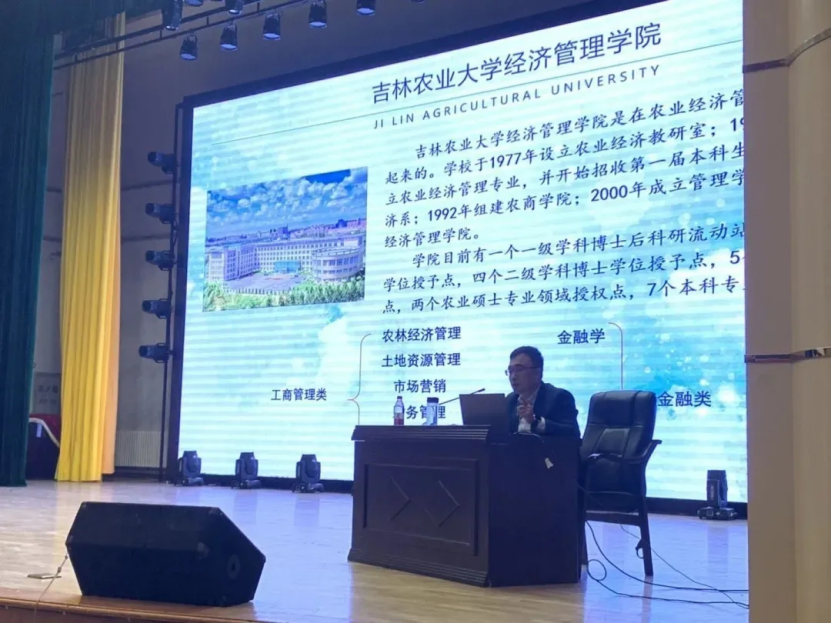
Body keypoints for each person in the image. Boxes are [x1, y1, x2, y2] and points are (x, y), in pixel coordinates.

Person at [506, 346, 580, 437]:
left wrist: (536, 422)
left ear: (537, 373)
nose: (513, 377)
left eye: (519, 370)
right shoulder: (510, 400)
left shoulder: (559, 397)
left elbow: (572, 433)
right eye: (510, 371)